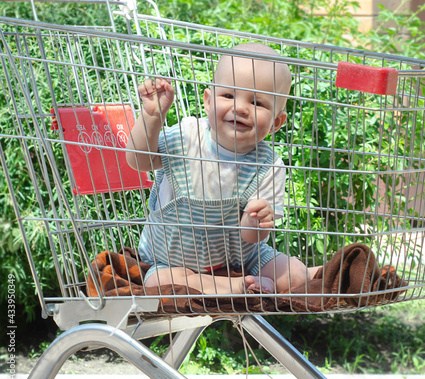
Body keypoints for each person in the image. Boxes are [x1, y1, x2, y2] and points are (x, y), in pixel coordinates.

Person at [126, 43, 320, 295]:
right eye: (228, 96)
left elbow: (251, 238)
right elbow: (138, 160)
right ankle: (237, 286)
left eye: (257, 102)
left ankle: (311, 273)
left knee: (293, 276)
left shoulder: (268, 165)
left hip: (242, 259)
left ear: (277, 122)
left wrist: (255, 220)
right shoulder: (186, 137)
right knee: (160, 285)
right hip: (172, 262)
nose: (240, 107)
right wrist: (152, 118)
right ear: (207, 101)